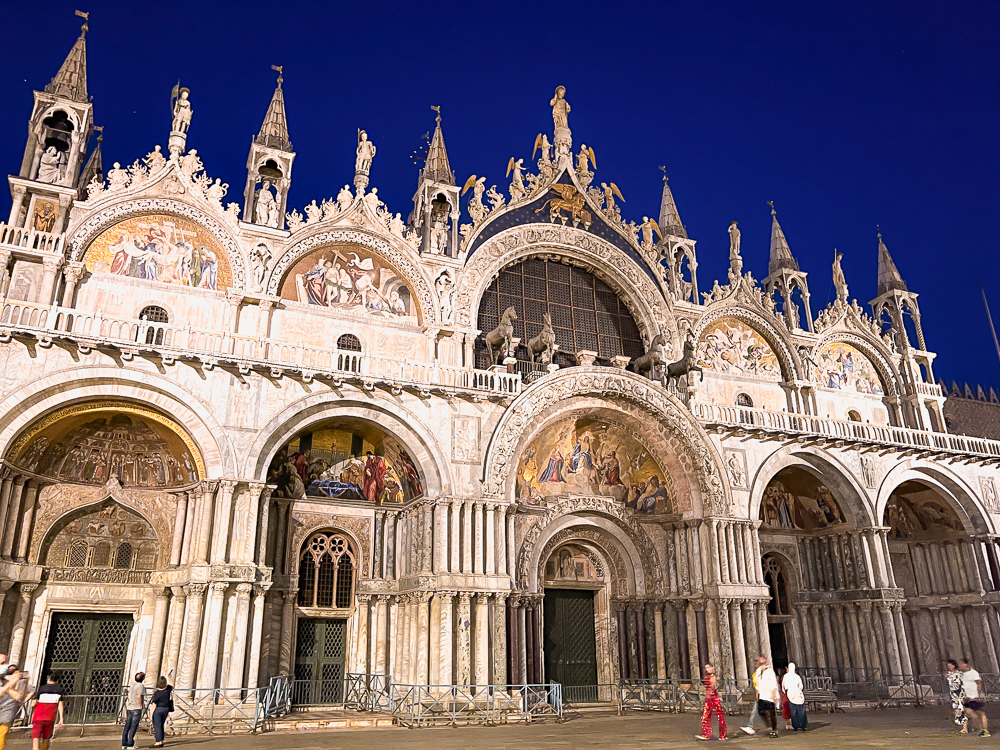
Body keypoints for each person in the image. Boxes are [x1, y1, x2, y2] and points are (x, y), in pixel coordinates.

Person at [743, 656, 779, 738]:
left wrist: (774, 694)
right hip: (762, 695)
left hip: (770, 695)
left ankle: (774, 730)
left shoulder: (770, 671)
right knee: (760, 711)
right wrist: (757, 692)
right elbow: (758, 682)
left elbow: (774, 684)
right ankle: (768, 723)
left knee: (772, 713)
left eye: (761, 661)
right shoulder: (758, 671)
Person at [0, 666, 32, 750]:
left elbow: (20, 695)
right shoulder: (3, 682)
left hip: (6, 716)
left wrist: (24, 700)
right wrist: (11, 683)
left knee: (1, 737)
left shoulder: (20, 684)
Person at [29, 672, 64, 750]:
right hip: (50, 716)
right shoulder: (59, 689)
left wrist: (32, 713)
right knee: (46, 738)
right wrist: (61, 719)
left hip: (38, 716)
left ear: (48, 679)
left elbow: (33, 704)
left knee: (36, 738)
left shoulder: (42, 688)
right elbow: (60, 705)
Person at [696, 663, 727, 741]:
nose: (707, 669)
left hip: (714, 697)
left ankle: (723, 735)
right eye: (706, 668)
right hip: (709, 698)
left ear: (712, 667)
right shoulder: (707, 676)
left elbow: (713, 686)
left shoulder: (713, 676)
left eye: (708, 667)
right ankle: (707, 733)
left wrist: (710, 693)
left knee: (720, 716)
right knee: (705, 716)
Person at [960, 658, 990, 736]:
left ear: (965, 664)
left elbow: (979, 682)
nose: (960, 666)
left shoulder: (973, 673)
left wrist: (979, 693)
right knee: (967, 712)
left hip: (974, 696)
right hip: (968, 697)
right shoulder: (963, 674)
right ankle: (966, 728)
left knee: (979, 713)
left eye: (961, 664)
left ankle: (983, 728)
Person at [122, 671, 146, 748]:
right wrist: (141, 705)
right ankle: (130, 744)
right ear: (142, 678)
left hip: (130, 707)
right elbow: (139, 696)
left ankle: (124, 743)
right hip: (136, 708)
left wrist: (130, 702)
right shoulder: (140, 686)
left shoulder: (132, 685)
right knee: (133, 726)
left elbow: (129, 695)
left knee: (127, 725)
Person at [147, 676, 173, 747]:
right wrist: (170, 677)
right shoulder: (168, 690)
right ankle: (161, 740)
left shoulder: (157, 693)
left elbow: (153, 705)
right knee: (161, 724)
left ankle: (158, 741)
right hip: (166, 709)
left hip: (158, 709)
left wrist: (150, 716)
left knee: (157, 725)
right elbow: (172, 685)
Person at [781, 662, 807, 731]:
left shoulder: (786, 676)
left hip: (790, 695)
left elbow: (783, 686)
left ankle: (795, 726)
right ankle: (803, 725)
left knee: (793, 711)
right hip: (798, 695)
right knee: (801, 711)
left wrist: (786, 691)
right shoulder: (797, 676)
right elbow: (801, 686)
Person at [945, 659, 967, 731]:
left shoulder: (959, 673)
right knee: (957, 709)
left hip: (960, 693)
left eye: (951, 665)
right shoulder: (949, 674)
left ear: (954, 666)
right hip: (953, 694)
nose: (949, 667)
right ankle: (964, 726)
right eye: (948, 666)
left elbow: (963, 683)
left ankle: (965, 727)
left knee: (961, 709)